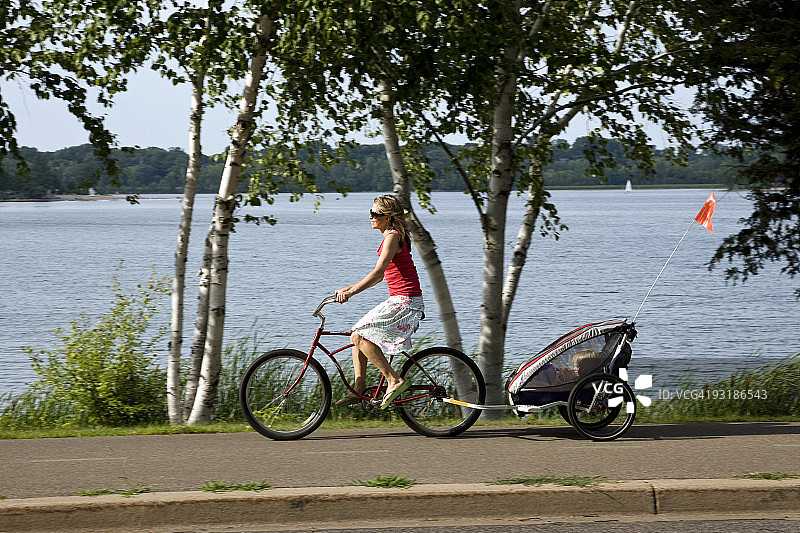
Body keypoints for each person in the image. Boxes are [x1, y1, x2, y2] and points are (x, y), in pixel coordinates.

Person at [334, 194, 425, 409]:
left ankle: (394, 380)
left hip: (406, 302)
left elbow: (377, 273)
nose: (370, 216)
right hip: (401, 299)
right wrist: (349, 287)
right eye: (371, 212)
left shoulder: (392, 237)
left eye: (375, 213)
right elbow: (380, 276)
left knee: (358, 335)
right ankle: (359, 388)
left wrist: (351, 293)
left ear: (388, 217)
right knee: (356, 334)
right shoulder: (390, 237)